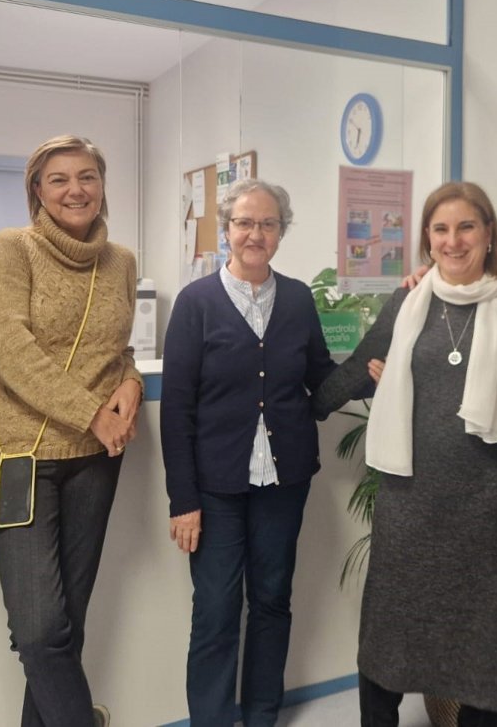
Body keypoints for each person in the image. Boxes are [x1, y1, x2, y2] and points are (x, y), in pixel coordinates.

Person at [315, 181, 497, 727]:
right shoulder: (409, 301)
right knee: (388, 638)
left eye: (466, 227)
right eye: (441, 229)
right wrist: (299, 409)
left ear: (489, 233)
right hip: (410, 499)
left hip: (487, 504)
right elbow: (357, 370)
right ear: (427, 238)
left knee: (484, 644)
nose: (453, 240)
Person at [0, 135, 141, 727]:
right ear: (37, 191)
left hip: (95, 457)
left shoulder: (121, 261)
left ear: (102, 185)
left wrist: (131, 382)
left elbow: (117, 349)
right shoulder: (12, 248)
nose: (76, 189)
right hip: (16, 454)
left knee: (67, 627)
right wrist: (92, 411)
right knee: (40, 631)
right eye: (59, 179)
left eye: (87, 176)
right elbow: (10, 348)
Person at [161, 178, 336, 727]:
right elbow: (177, 411)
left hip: (284, 482)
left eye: (267, 224)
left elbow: (321, 380)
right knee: (215, 610)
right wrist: (183, 501)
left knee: (272, 600)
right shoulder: (196, 303)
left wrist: (376, 366)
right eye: (244, 223)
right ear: (226, 230)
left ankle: (262, 714)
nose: (255, 234)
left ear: (281, 232)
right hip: (215, 488)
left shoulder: (299, 298)